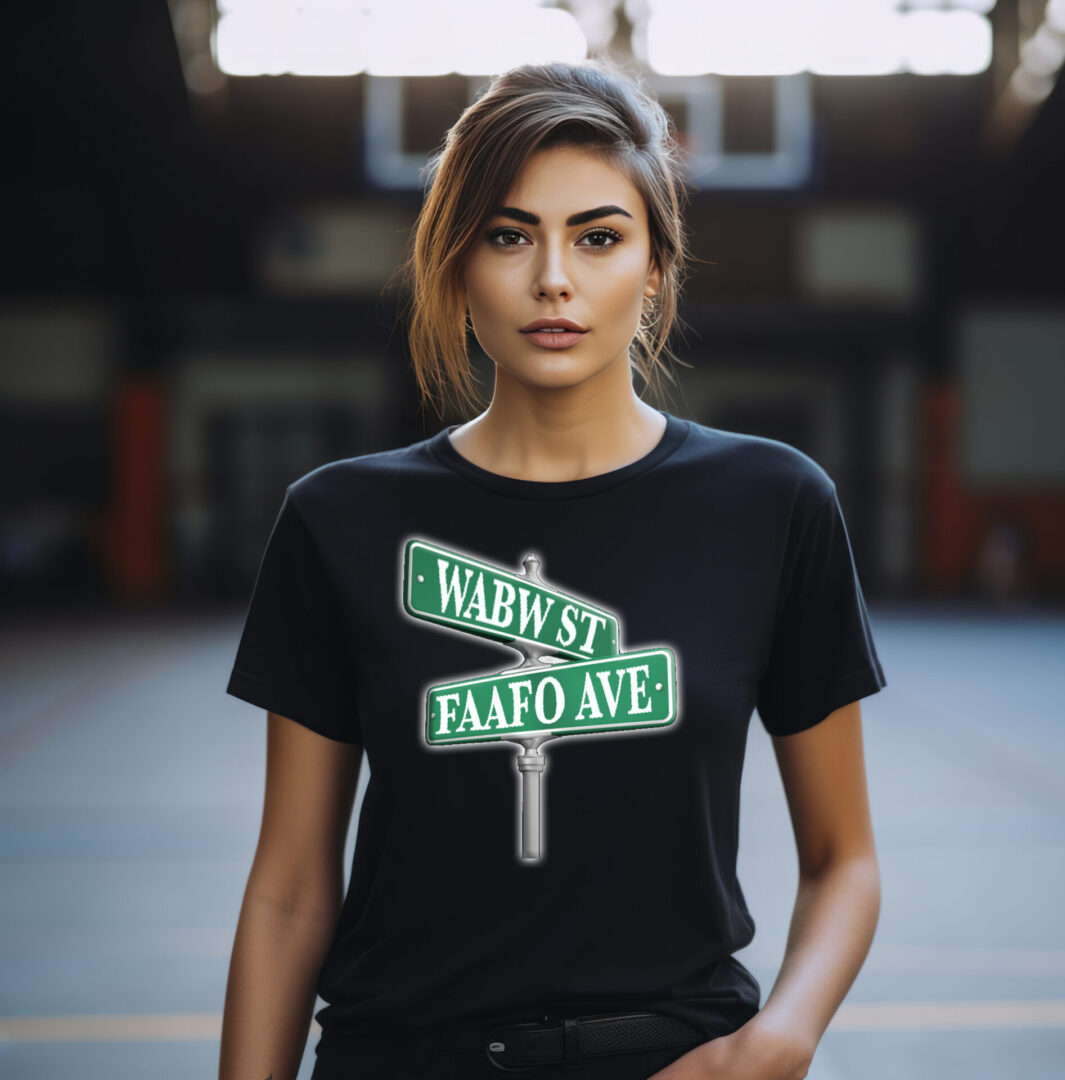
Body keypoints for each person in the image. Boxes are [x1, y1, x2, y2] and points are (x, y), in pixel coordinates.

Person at [218, 57, 887, 1080]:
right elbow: (292, 887)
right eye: (508, 235)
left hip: (672, 1059)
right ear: (455, 263)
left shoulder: (773, 505)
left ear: (657, 268)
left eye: (600, 237)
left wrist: (770, 1048)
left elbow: (844, 860)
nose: (553, 280)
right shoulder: (338, 520)